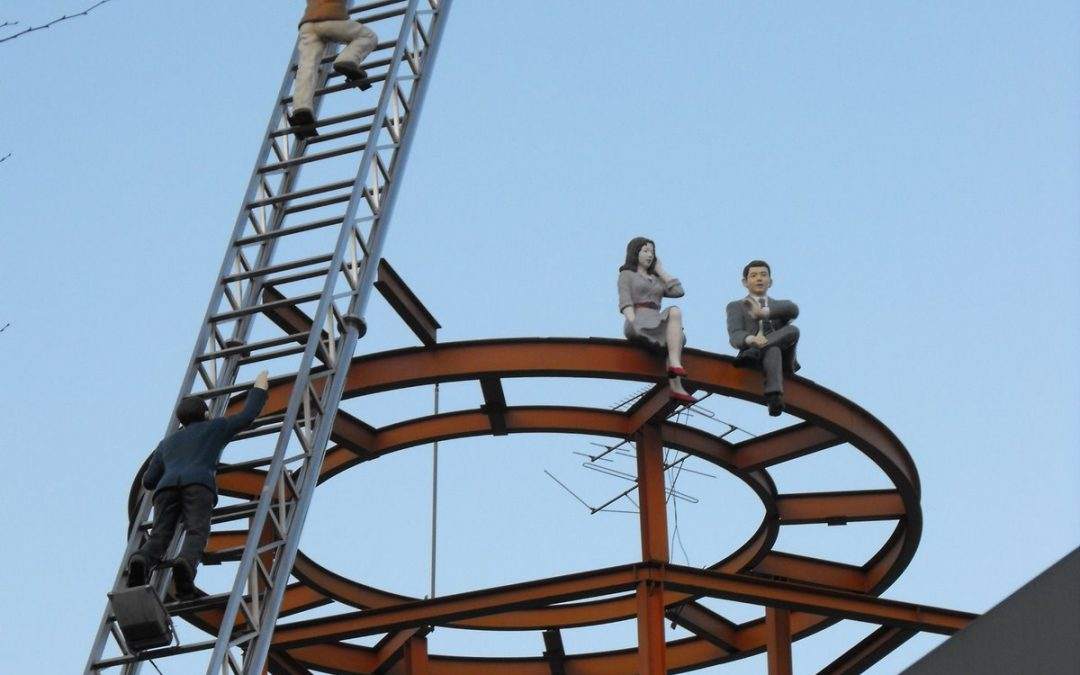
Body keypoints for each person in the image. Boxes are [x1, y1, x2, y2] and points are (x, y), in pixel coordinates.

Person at [126, 371, 270, 597]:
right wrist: (260, 388)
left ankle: (141, 559)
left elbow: (149, 480)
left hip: (165, 488)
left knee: (160, 534)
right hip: (198, 484)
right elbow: (247, 416)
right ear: (206, 414)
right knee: (196, 530)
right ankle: (185, 565)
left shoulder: (166, 443)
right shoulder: (215, 427)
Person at [617, 237, 694, 403]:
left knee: (675, 313)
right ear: (635, 253)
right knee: (674, 339)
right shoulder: (626, 275)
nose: (650, 255)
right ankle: (675, 374)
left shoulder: (656, 278)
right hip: (639, 320)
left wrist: (660, 270)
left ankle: (675, 377)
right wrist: (633, 322)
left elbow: (678, 292)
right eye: (645, 251)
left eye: (652, 252)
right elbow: (625, 302)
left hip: (657, 319)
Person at [726, 260, 800, 416]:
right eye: (753, 275)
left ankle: (756, 351)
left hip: (782, 361)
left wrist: (763, 312)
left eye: (763, 275)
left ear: (770, 281)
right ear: (745, 282)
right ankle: (774, 397)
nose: (759, 278)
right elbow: (735, 334)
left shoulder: (779, 306)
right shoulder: (736, 306)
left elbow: (793, 310)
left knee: (793, 330)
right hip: (756, 357)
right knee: (773, 349)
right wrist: (750, 340)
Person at [289, 0, 378, 129]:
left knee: (307, 66)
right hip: (331, 18)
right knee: (368, 37)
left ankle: (301, 107)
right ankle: (347, 59)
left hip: (307, 24)